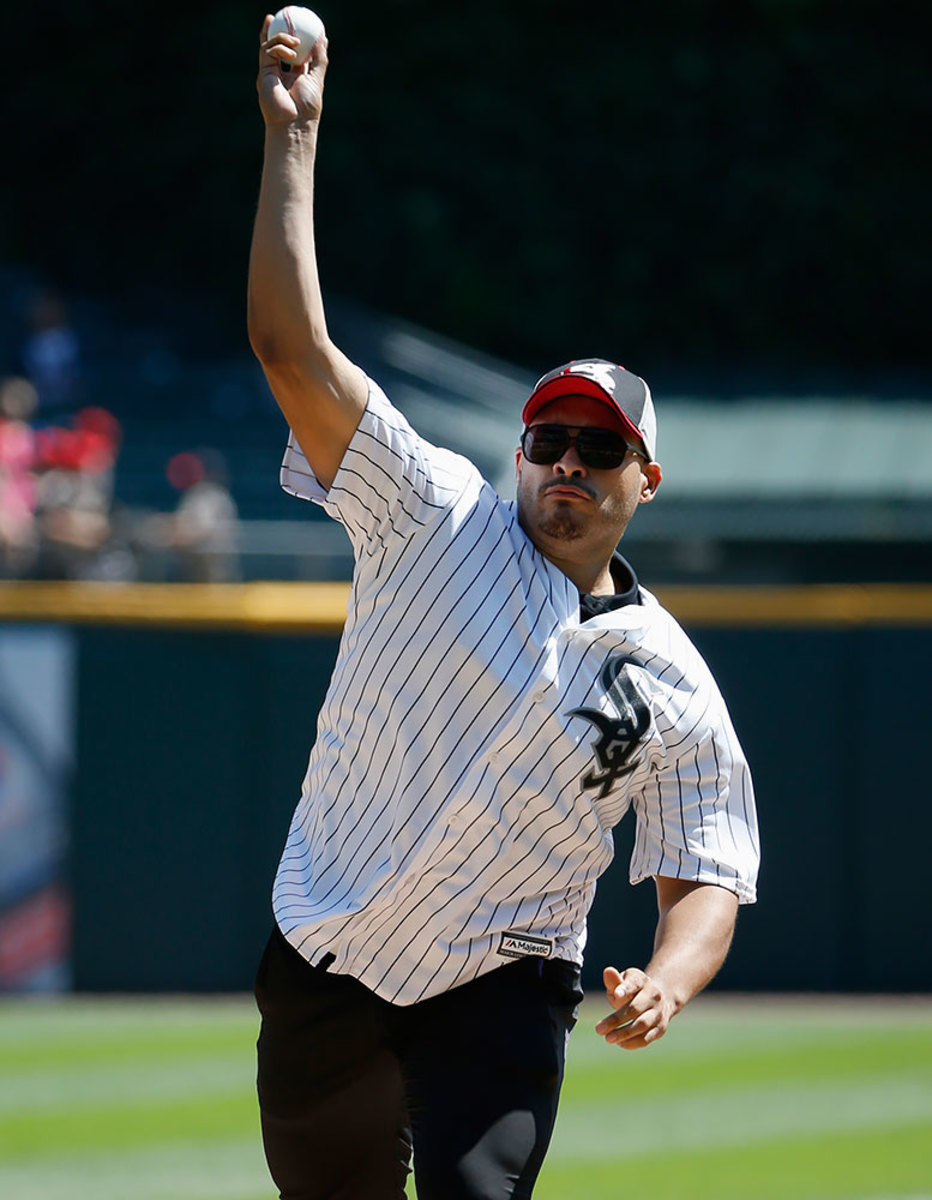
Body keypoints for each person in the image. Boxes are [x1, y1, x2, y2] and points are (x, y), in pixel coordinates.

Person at [248, 17, 760, 1200]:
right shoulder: (431, 509)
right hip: (326, 949)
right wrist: (294, 140)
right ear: (517, 450)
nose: (567, 461)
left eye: (599, 445)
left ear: (646, 481)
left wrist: (669, 980)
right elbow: (290, 347)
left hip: (502, 982)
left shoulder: (670, 679)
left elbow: (708, 871)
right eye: (549, 437)